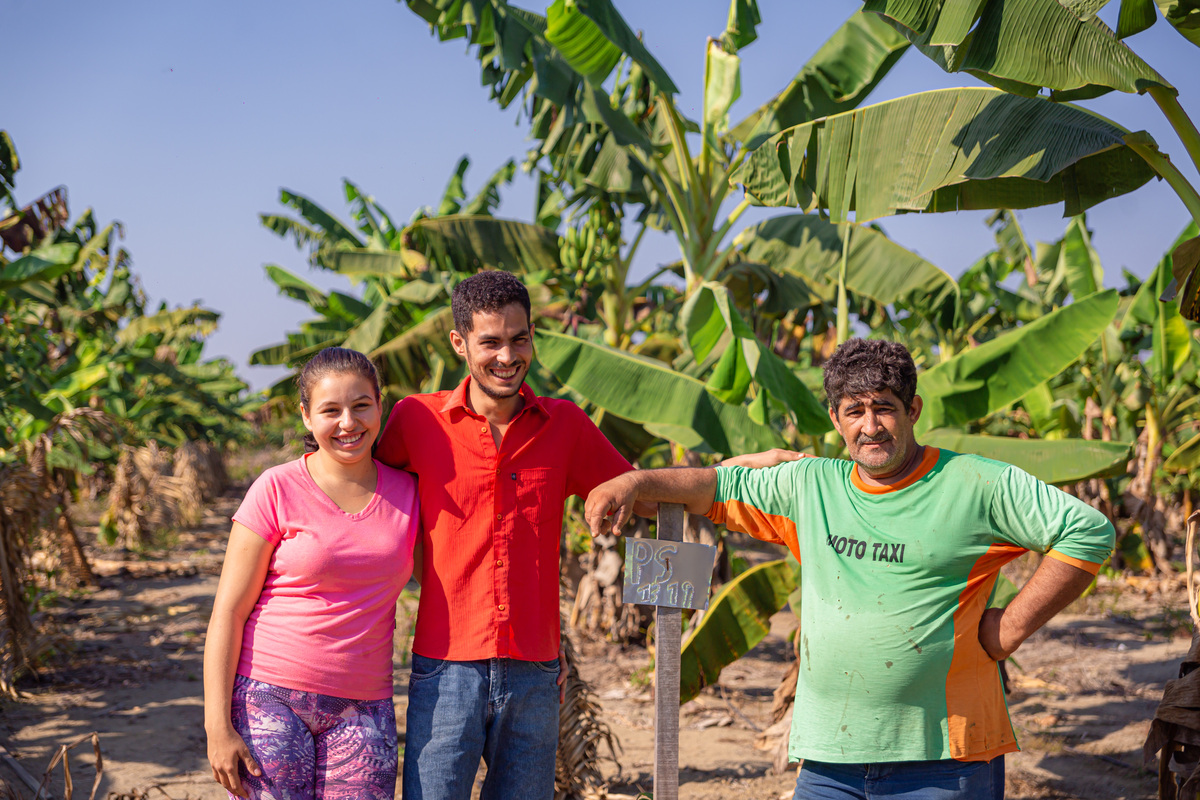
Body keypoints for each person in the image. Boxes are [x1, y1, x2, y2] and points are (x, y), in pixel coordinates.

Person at [584, 338, 1116, 800]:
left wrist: (1012, 626)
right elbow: (712, 487)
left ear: (913, 409)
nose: (870, 426)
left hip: (945, 758)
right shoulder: (812, 484)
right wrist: (634, 483)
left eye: (884, 408)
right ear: (835, 419)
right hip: (829, 760)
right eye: (853, 410)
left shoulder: (976, 484)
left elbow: (1088, 531)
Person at [374, 270, 642, 800]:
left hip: (535, 672)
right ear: (459, 343)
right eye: (490, 342)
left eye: (519, 339)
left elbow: (640, 491)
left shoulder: (565, 425)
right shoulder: (415, 421)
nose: (507, 355)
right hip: (445, 666)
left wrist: (741, 470)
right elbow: (355, 490)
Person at [204, 347, 419, 800]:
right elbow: (228, 612)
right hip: (269, 698)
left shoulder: (410, 491)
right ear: (306, 416)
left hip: (365, 706)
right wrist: (217, 727)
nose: (348, 423)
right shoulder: (276, 488)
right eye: (330, 410)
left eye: (361, 405)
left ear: (381, 405)